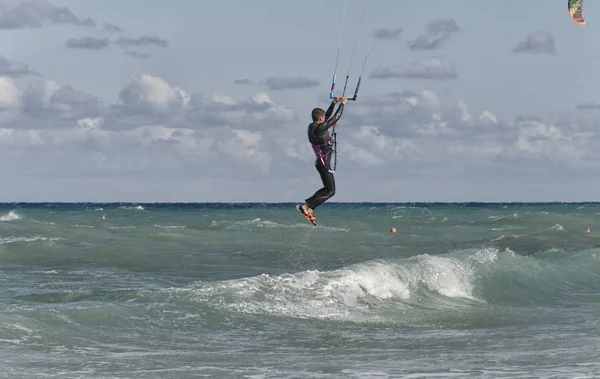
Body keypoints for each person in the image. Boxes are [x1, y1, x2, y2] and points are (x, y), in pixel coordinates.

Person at [298, 95, 348, 223]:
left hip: (320, 163)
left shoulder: (312, 126)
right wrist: (342, 104)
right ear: (320, 118)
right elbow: (334, 118)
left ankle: (307, 205)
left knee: (326, 189)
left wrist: (333, 103)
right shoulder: (320, 128)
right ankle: (308, 208)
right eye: (323, 117)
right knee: (331, 191)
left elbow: (327, 119)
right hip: (323, 164)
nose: (324, 119)